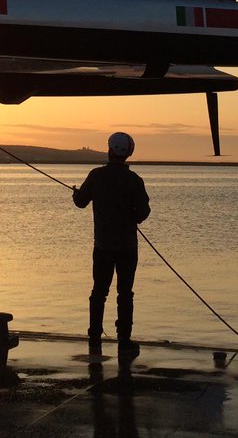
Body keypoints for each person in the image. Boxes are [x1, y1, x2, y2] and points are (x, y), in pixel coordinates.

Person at [72, 131, 150, 357]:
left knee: (99, 292)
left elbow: (80, 202)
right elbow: (144, 211)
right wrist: (132, 218)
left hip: (103, 246)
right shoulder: (134, 180)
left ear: (109, 151)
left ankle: (94, 338)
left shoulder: (96, 176)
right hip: (127, 247)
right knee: (125, 293)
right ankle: (124, 341)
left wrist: (76, 193)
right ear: (128, 154)